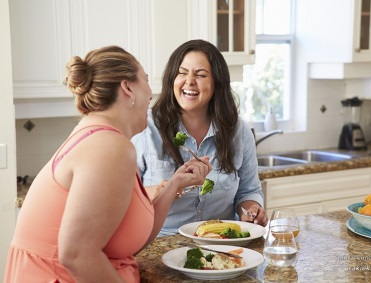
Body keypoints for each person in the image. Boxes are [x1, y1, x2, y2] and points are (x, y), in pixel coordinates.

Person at [4, 45, 211, 283]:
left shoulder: (102, 137)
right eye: (145, 80)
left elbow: (125, 242)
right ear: (128, 88)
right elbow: (77, 254)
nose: (151, 94)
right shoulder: (110, 147)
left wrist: (175, 183)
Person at [131, 39, 268, 236]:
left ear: (216, 84)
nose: (189, 81)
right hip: (160, 242)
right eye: (182, 72)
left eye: (201, 75)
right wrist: (163, 190)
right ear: (172, 79)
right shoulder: (146, 127)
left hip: (220, 243)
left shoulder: (238, 130)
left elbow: (248, 191)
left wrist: (252, 210)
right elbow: (126, 198)